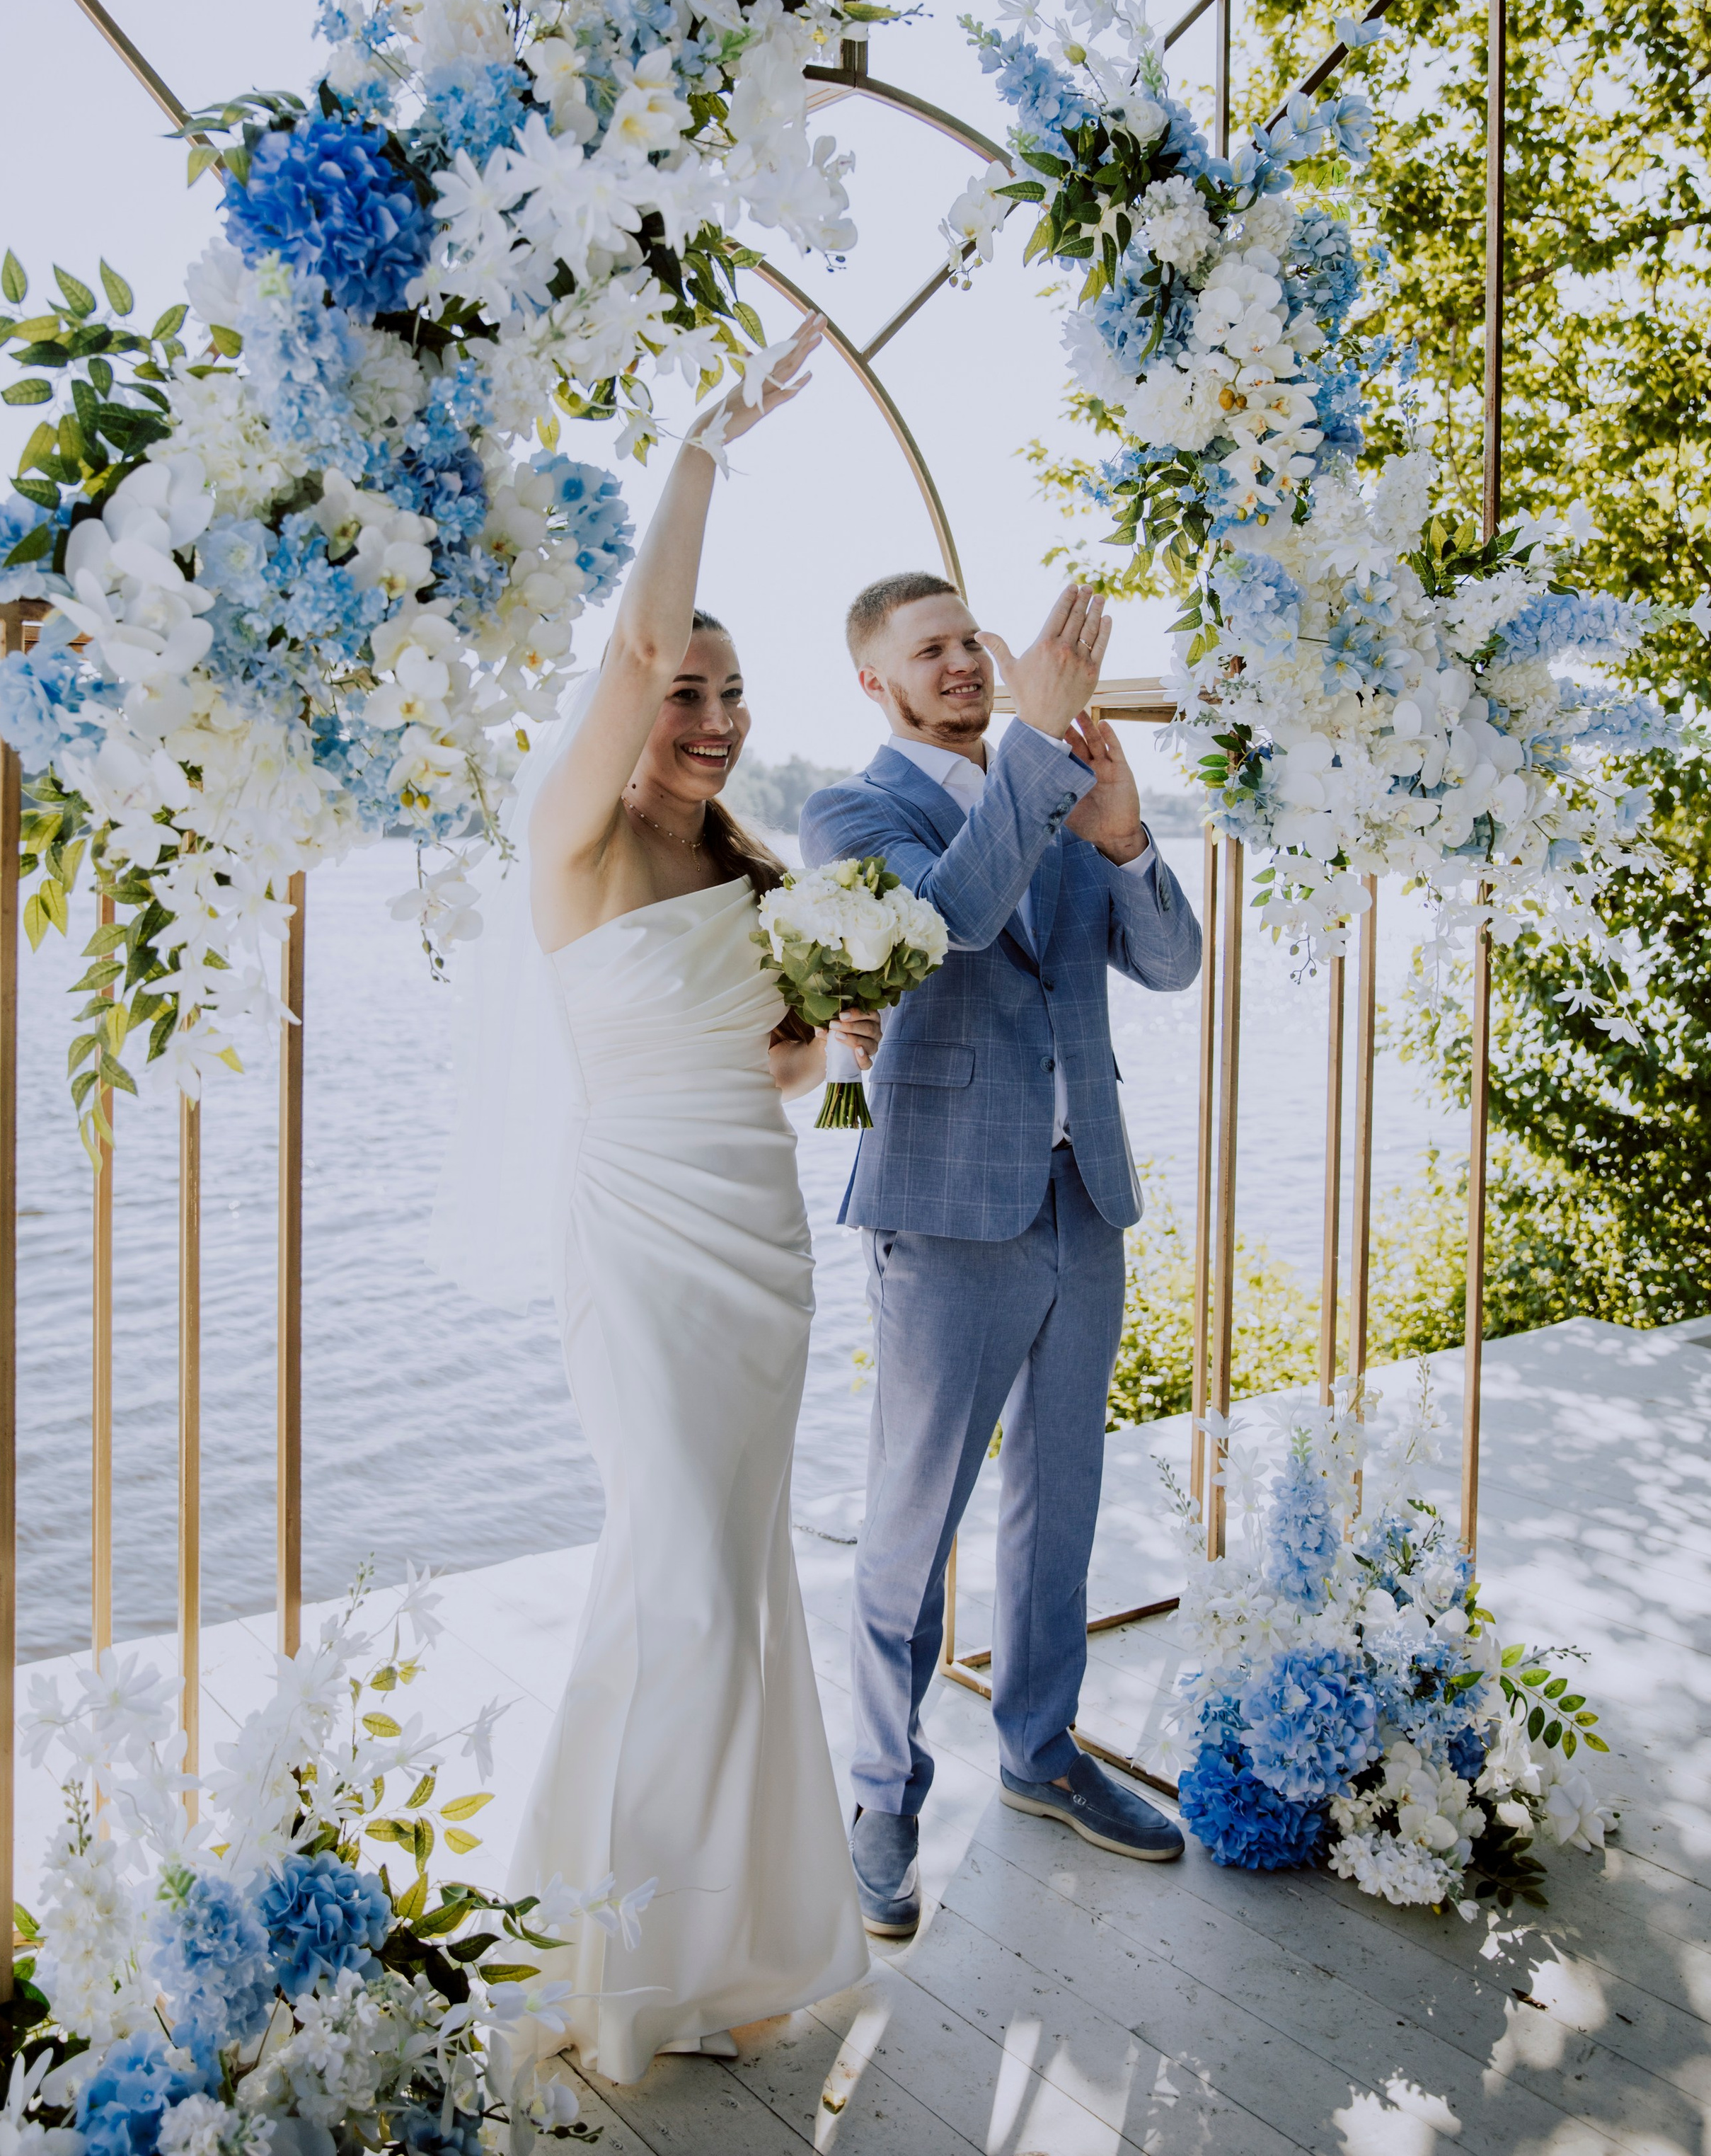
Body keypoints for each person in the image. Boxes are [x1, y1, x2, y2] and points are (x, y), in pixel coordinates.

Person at [500, 316, 873, 2081]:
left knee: (732, 1580)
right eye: (688, 692)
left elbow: (775, 1073)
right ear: (632, 700)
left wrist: (836, 1031)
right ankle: (607, 1962)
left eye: (735, 696)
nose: (715, 718)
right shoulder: (576, 834)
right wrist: (708, 444)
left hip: (758, 1250)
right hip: (642, 1249)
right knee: (680, 1585)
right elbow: (641, 626)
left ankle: (721, 1953)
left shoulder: (742, 859)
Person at [798, 573, 1203, 1939]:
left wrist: (1128, 829)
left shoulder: (1059, 778)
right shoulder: (850, 813)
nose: (967, 661)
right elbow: (949, 927)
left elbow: (1174, 960)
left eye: (973, 638)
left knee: (1062, 1500)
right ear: (877, 683)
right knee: (912, 1532)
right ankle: (881, 1795)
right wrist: (1039, 748)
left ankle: (1041, 1750)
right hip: (946, 1206)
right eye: (933, 649)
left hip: (1082, 1192)